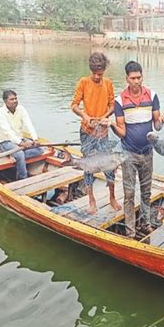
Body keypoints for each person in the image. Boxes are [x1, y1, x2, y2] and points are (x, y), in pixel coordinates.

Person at [110, 61, 164, 238]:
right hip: (129, 154)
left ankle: (146, 223)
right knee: (129, 194)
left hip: (147, 153)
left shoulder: (152, 95)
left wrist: (161, 121)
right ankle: (130, 231)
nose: (136, 81)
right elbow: (122, 133)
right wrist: (112, 125)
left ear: (142, 76)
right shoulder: (120, 101)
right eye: (132, 78)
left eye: (139, 77)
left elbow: (156, 126)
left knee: (146, 191)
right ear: (126, 79)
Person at [71, 52, 121, 214]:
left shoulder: (108, 83)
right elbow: (74, 105)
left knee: (109, 165)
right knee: (89, 165)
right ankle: (91, 200)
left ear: (104, 71)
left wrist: (103, 118)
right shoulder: (83, 83)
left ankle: (112, 197)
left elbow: (113, 105)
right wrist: (85, 117)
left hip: (103, 132)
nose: (97, 77)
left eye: (100, 74)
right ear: (90, 70)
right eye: (94, 74)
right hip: (87, 132)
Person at [0, 90, 44, 180]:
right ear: (5, 101)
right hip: (5, 142)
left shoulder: (21, 109)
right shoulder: (0, 113)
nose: (15, 101)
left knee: (40, 149)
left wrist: (35, 138)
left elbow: (28, 124)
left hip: (20, 138)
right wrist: (21, 143)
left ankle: (15, 156)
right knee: (20, 154)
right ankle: (23, 178)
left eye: (16, 98)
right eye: (11, 99)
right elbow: (8, 132)